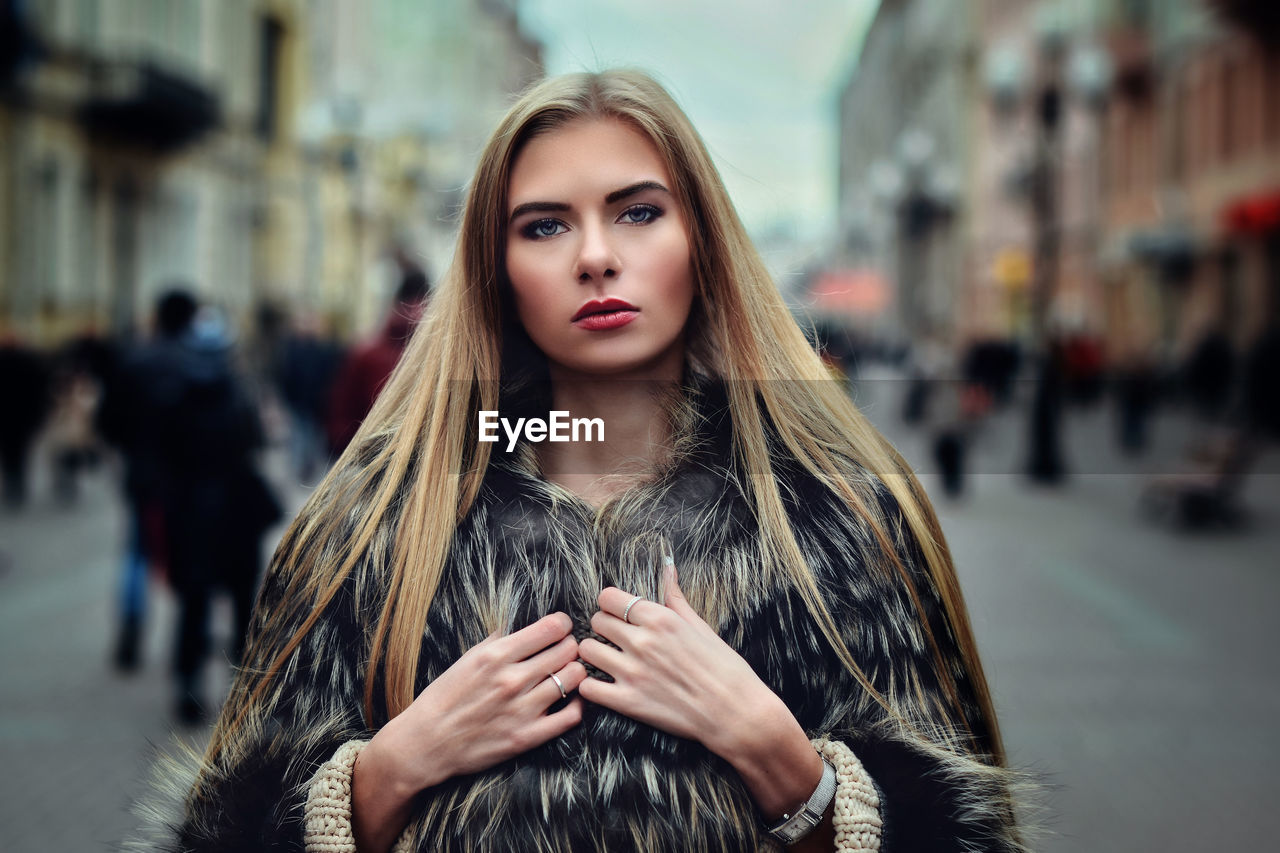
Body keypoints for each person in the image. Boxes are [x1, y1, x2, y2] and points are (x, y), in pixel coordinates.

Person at [151, 71, 1022, 852]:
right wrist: (383, 779)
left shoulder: (842, 520)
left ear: (703, 242)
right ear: (497, 268)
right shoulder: (371, 528)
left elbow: (970, 830)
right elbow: (219, 831)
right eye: (543, 225)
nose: (595, 255)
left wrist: (784, 764)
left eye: (639, 211)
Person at [326, 269, 428, 455]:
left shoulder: (366, 352)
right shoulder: (438, 356)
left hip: (369, 456)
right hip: (410, 461)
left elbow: (342, 411)